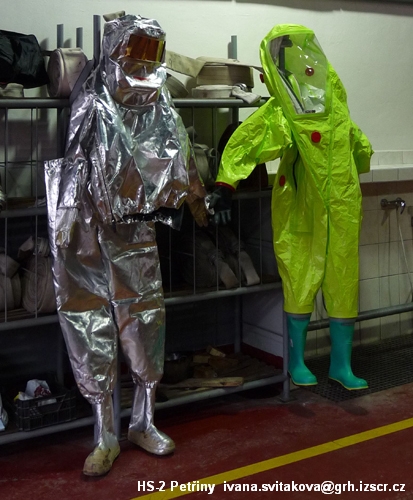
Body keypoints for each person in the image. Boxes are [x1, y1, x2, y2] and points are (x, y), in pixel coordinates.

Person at [45, 14, 207, 476]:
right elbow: (75, 157)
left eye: (151, 54)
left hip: (136, 227)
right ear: (115, 50)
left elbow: (179, 146)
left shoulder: (159, 101)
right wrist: (66, 224)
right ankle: (104, 434)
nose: (142, 65)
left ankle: (144, 422)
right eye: (135, 51)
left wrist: (196, 197)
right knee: (88, 321)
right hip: (86, 229)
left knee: (145, 319)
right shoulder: (92, 97)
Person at [210, 24, 372, 391]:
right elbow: (248, 140)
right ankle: (297, 362)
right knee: (299, 278)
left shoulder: (334, 109)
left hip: (341, 209)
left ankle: (341, 365)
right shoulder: (286, 113)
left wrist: (357, 165)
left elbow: (357, 144)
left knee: (343, 282)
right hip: (301, 209)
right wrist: (225, 182)